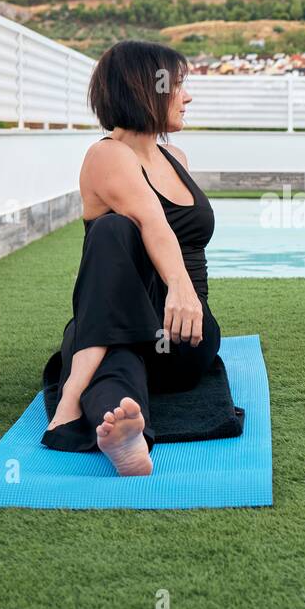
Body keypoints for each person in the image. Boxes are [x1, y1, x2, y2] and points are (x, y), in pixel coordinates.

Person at [41, 41, 219, 475]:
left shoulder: (176, 157)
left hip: (183, 336)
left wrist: (183, 292)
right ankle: (126, 433)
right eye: (178, 86)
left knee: (105, 345)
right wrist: (179, 284)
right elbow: (153, 222)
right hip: (122, 328)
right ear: (145, 89)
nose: (187, 96)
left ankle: (72, 398)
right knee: (114, 229)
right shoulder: (106, 156)